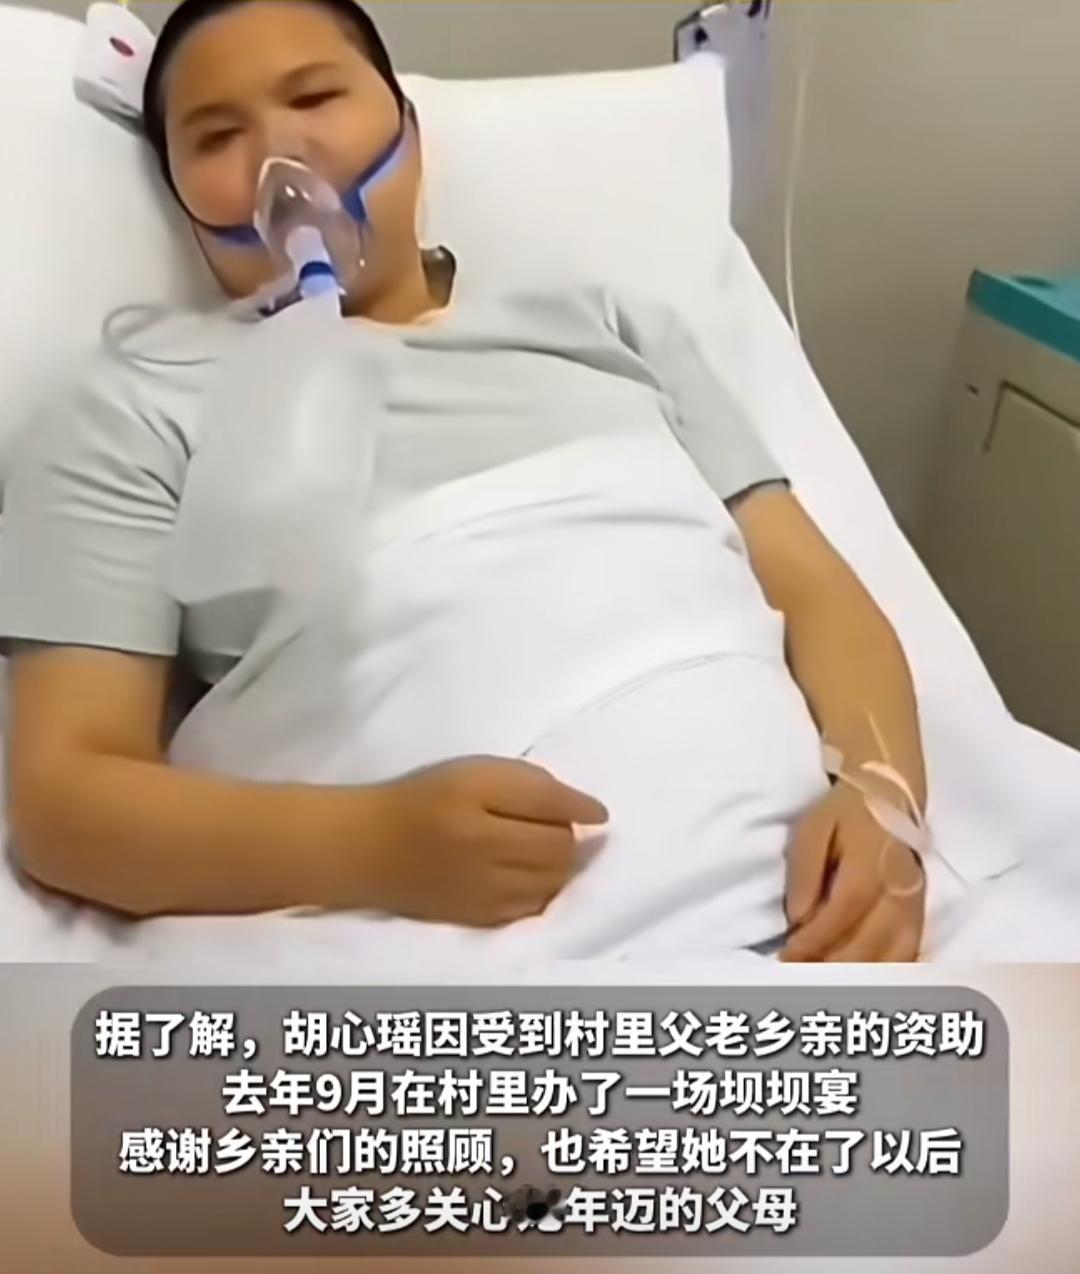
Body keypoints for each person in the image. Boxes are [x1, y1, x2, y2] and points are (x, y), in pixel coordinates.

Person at [0, 0, 927, 961]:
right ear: (182, 199)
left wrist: (885, 803)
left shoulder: (610, 325)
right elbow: (66, 804)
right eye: (217, 136)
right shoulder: (137, 404)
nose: (281, 152)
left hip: (814, 920)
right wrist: (371, 847)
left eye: (315, 96)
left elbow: (814, 591)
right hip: (485, 962)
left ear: (409, 128)